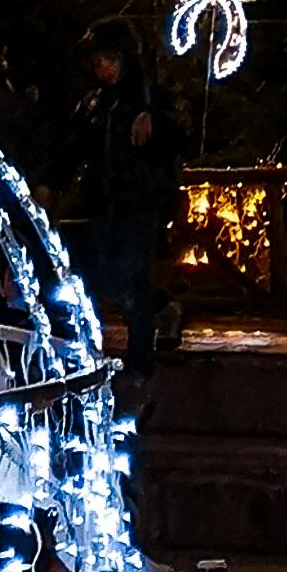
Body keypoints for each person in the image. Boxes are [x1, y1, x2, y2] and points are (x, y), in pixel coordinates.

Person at [53, 19, 180, 352]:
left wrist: (155, 120)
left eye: (109, 59)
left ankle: (140, 359)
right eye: (97, 62)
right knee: (99, 281)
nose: (103, 68)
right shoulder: (94, 104)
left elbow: (177, 138)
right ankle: (98, 351)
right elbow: (71, 150)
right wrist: (49, 183)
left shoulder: (149, 98)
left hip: (138, 204)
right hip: (100, 204)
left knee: (131, 282)